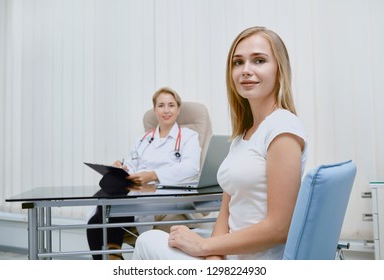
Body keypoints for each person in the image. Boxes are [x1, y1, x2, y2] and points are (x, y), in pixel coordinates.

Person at [132, 26, 308, 260]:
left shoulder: (283, 128)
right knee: (156, 238)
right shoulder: (242, 136)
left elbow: (280, 229)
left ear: (279, 69)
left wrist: (205, 248)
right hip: (230, 254)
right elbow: (226, 212)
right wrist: (214, 256)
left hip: (258, 261)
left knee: (146, 242)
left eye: (259, 60)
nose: (246, 70)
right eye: (238, 62)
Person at [87, 87, 201, 260]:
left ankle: (113, 253)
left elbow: (191, 168)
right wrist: (123, 168)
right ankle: (113, 255)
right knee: (104, 206)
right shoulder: (143, 138)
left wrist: (154, 175)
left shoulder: (188, 137)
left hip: (167, 194)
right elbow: (132, 164)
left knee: (112, 208)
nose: (166, 110)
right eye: (161, 105)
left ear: (178, 109)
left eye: (171, 105)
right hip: (137, 193)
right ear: (155, 110)